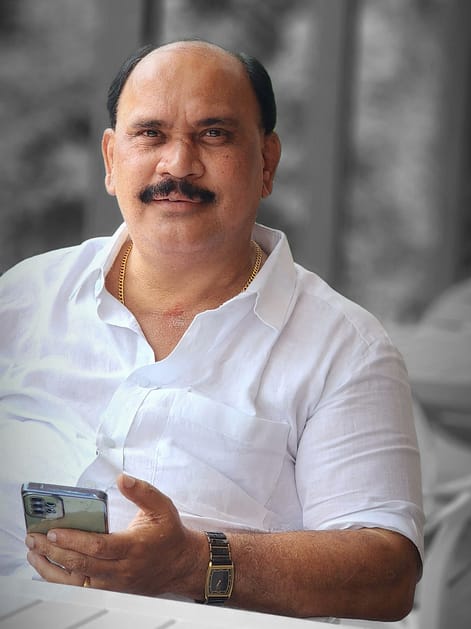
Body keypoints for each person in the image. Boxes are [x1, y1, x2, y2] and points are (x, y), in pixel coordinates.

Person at [0, 39, 423, 620]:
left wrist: (192, 564)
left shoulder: (346, 348)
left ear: (267, 162)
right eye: (150, 134)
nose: (178, 164)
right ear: (111, 159)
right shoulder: (24, 298)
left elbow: (387, 574)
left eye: (214, 134)